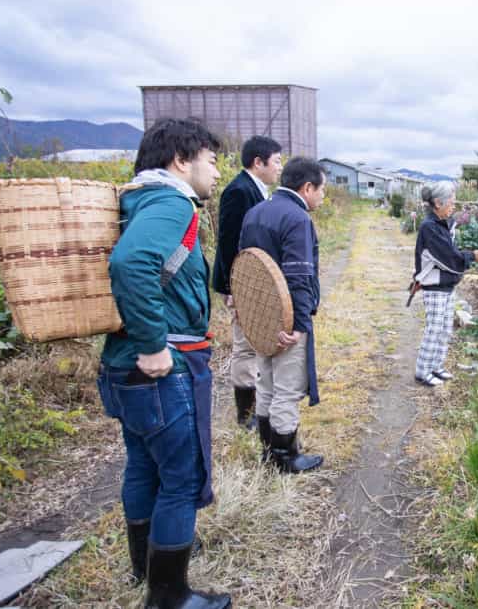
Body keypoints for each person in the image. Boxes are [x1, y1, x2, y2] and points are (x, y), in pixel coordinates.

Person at [96, 118, 230, 608]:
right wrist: (153, 344)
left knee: (143, 467)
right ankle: (169, 595)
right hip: (160, 365)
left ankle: (145, 568)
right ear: (181, 161)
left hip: (122, 366)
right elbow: (131, 264)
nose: (216, 173)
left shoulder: (137, 200)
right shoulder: (172, 201)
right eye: (212, 161)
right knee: (182, 478)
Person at [239, 156, 326, 473]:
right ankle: (286, 457)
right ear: (306, 188)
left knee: (266, 384)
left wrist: (249, 315)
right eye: (321, 190)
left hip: (260, 317)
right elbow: (299, 278)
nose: (322, 196)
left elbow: (245, 266)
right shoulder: (297, 218)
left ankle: (268, 451)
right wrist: (300, 325)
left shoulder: (255, 212)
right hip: (286, 320)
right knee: (287, 389)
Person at [213, 135, 283, 430]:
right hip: (240, 282)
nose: (280, 167)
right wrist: (232, 288)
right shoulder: (239, 191)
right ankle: (246, 414)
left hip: (251, 281)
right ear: (259, 162)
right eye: (277, 161)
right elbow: (229, 242)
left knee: (255, 343)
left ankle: (256, 405)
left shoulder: (257, 189)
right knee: (245, 346)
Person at [412, 182, 478, 386]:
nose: (453, 206)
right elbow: (448, 256)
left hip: (446, 286)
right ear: (438, 203)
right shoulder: (429, 227)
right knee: (434, 329)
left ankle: (436, 366)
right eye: (451, 202)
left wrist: (468, 256)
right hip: (435, 286)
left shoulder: (441, 223)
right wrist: (471, 256)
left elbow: (451, 252)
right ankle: (423, 371)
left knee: (445, 328)